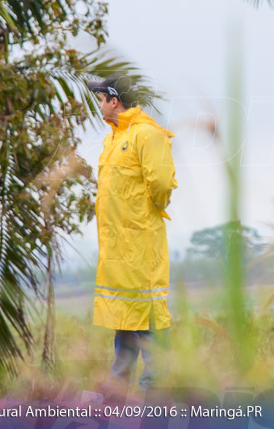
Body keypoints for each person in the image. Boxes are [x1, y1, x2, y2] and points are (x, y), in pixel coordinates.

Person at [87, 76, 177, 394]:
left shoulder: (146, 134)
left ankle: (157, 388)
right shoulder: (112, 140)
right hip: (115, 250)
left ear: (115, 101)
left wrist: (144, 214)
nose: (98, 105)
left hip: (141, 246)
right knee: (123, 315)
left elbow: (162, 184)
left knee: (149, 314)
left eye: (101, 99)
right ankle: (118, 387)